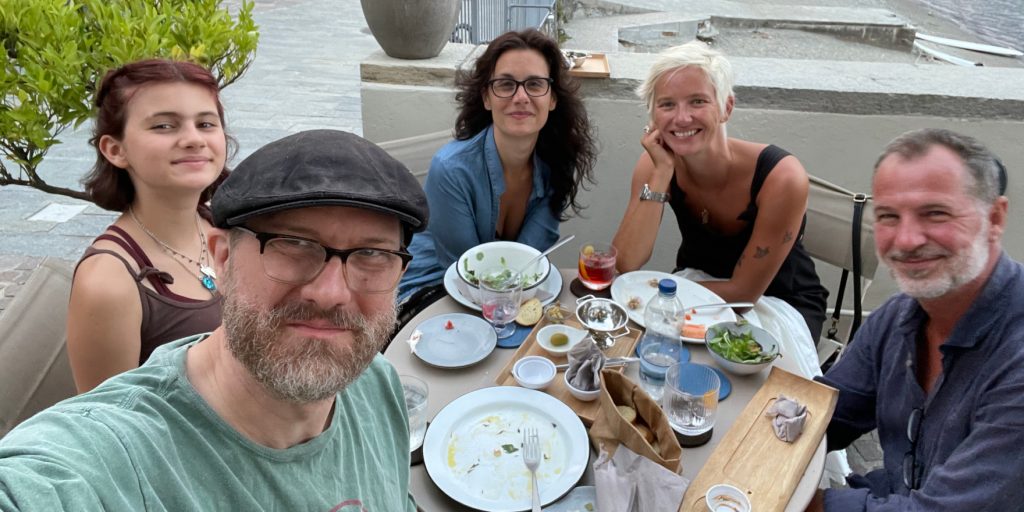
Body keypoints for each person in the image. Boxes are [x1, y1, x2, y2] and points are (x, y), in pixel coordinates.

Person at [0, 130, 428, 511]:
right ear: (223, 259)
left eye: (372, 254)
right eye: (294, 244)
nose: (331, 293)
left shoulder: (375, 381)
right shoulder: (113, 460)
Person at [809, 129, 1021, 510]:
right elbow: (823, 414)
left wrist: (803, 503)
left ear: (995, 217)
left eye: (935, 213)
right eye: (888, 216)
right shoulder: (898, 317)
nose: (906, 240)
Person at [612, 42, 828, 341]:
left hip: (774, 304)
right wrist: (661, 174)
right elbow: (626, 262)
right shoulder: (654, 165)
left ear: (726, 107)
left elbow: (744, 295)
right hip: (695, 288)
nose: (682, 118)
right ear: (653, 117)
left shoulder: (781, 177)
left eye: (697, 101)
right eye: (667, 105)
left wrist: (657, 295)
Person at [397, 28, 597, 312]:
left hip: (507, 297)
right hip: (431, 293)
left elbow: (529, 260)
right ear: (487, 98)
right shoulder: (451, 170)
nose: (521, 96)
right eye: (505, 84)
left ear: (552, 98)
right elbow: (468, 271)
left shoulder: (557, 163)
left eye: (535, 84)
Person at [68, 59, 230, 392]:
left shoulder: (231, 227)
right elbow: (107, 415)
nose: (193, 139)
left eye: (205, 124)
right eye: (164, 126)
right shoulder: (108, 282)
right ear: (115, 150)